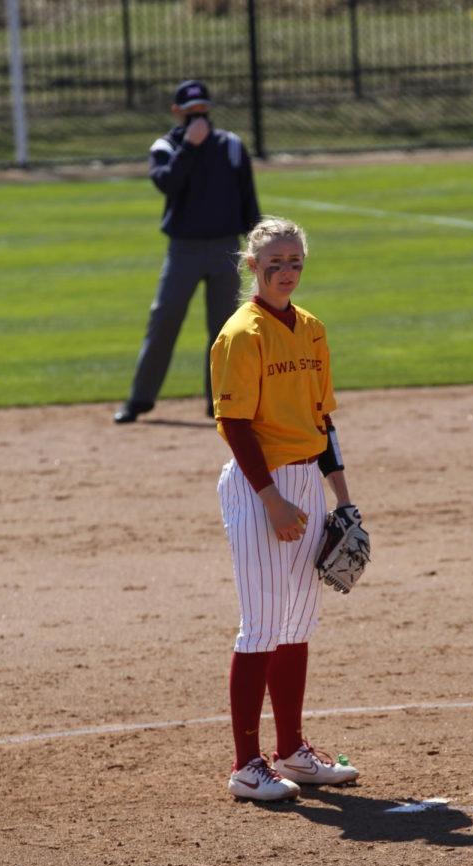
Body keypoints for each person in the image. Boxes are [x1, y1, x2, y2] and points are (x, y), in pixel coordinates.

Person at [210, 217, 361, 802]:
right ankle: (247, 765)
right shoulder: (241, 334)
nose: (286, 272)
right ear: (253, 267)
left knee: (297, 622)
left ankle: (292, 752)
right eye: (275, 263)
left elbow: (323, 421)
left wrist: (342, 498)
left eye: (295, 261)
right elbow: (235, 424)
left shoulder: (312, 330)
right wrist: (271, 499)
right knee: (261, 626)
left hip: (305, 484)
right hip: (259, 487)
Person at [114, 79, 260, 424]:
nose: (199, 119)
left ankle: (220, 402)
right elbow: (166, 183)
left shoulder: (232, 146)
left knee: (226, 329)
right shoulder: (166, 146)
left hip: (227, 248)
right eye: (191, 112)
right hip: (184, 250)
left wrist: (256, 245)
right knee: (164, 319)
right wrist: (190, 149)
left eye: (204, 111)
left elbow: (248, 199)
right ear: (177, 112)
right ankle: (139, 400)